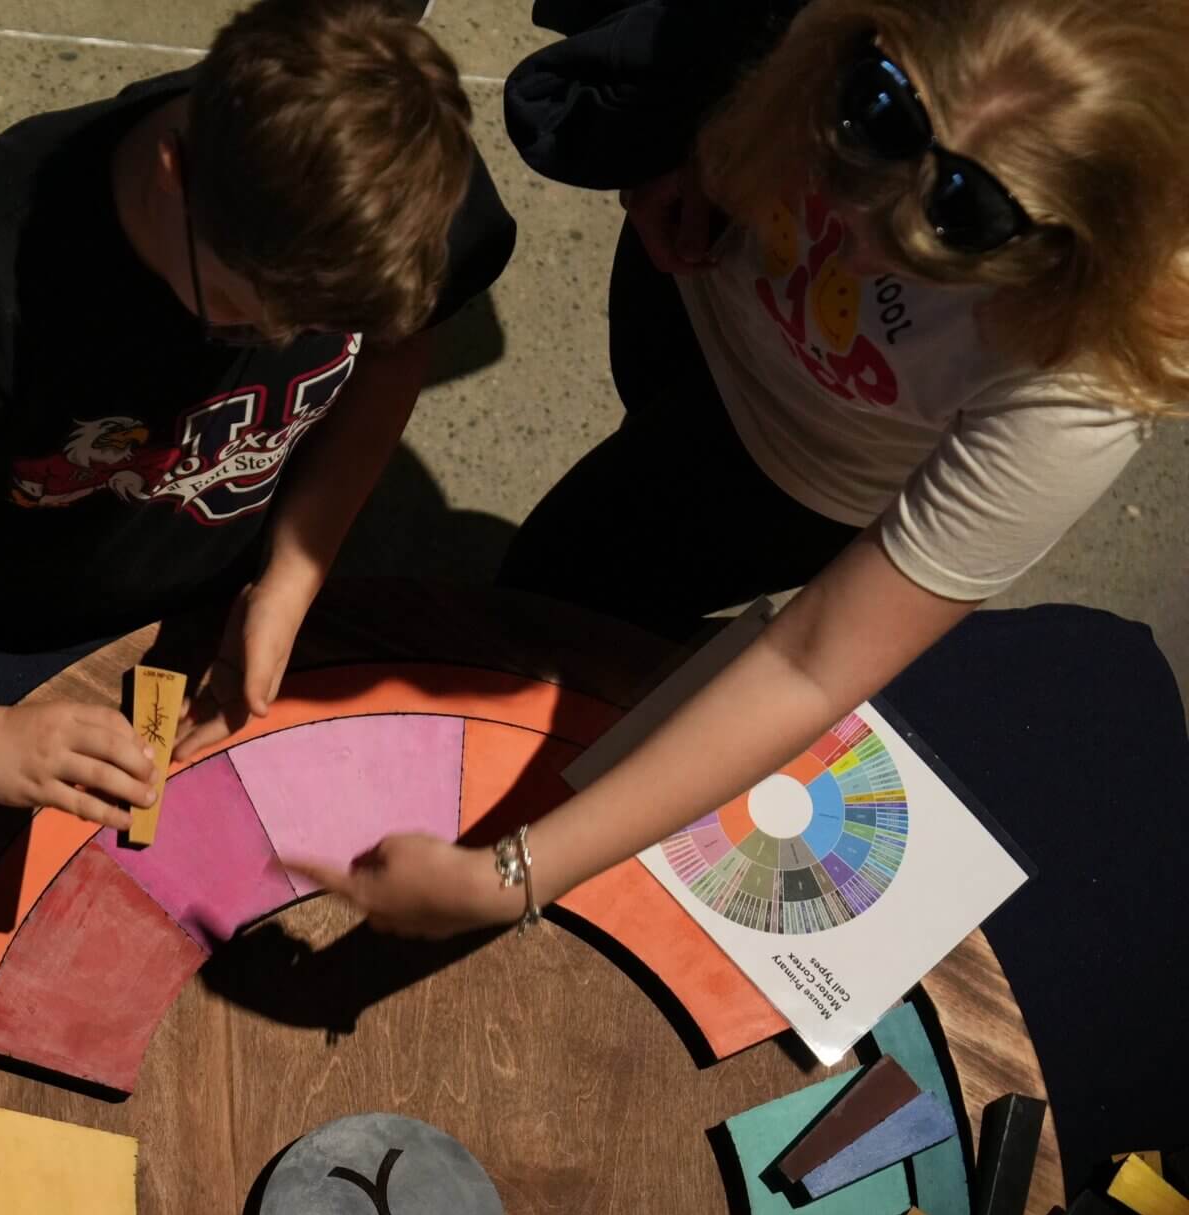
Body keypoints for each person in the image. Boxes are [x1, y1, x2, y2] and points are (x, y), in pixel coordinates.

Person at [299, 0, 1188, 935]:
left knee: (567, 589)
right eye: (876, 116)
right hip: (691, 291)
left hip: (784, 482)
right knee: (624, 485)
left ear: (1088, 241)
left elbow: (812, 663)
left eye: (962, 218)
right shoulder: (843, 42)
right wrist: (674, 157)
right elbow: (730, 47)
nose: (853, 216)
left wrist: (516, 873)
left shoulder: (1090, 378)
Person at [0, 0, 513, 830]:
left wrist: (292, 571)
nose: (273, 344)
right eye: (241, 319)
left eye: (324, 330)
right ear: (174, 170)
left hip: (197, 588)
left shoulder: (410, 208)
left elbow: (398, 349)